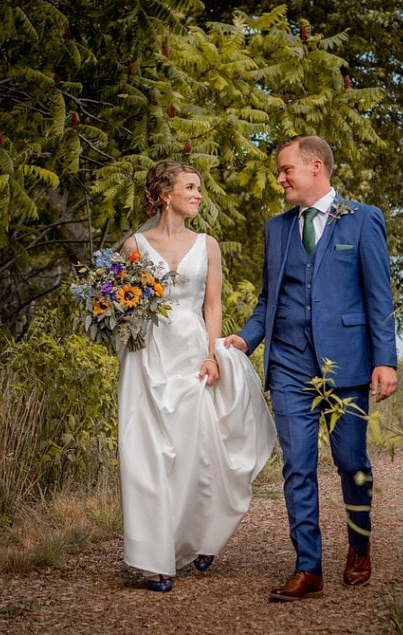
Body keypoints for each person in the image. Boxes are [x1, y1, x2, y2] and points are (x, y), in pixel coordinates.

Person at [224, 135, 399, 602]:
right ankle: (308, 568)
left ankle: (358, 548)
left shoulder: (362, 220)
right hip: (288, 364)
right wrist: (244, 338)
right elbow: (268, 299)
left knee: (350, 463)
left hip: (346, 364)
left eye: (286, 170)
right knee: (297, 467)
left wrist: (385, 360)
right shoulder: (276, 228)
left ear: (315, 166)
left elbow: (379, 298)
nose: (279, 178)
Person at [117, 160, 277, 592]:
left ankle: (204, 532)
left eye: (200, 188)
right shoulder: (134, 245)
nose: (199, 194)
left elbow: (212, 306)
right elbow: (117, 300)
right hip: (145, 356)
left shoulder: (208, 245)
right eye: (190, 187)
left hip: (191, 354)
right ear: (165, 194)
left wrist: (212, 355)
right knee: (147, 453)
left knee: (194, 451)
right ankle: (155, 560)